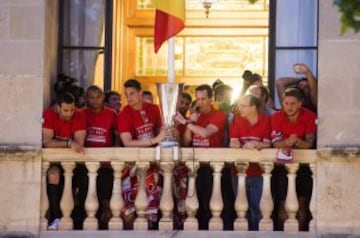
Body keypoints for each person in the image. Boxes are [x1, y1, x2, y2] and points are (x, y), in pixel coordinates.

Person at [174, 84, 229, 230]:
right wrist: (190, 122)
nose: (200, 102)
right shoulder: (194, 117)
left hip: (213, 167)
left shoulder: (219, 115)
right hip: (196, 166)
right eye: (198, 99)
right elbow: (186, 142)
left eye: (203, 99)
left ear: (211, 99)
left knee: (212, 203)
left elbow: (206, 133)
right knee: (195, 203)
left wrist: (186, 122)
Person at [117, 79, 169, 230]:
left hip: (153, 165)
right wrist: (154, 140)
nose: (129, 98)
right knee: (129, 209)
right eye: (127, 95)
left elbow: (162, 131)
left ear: (140, 93)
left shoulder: (154, 109)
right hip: (132, 167)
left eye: (132, 93)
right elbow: (127, 142)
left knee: (153, 208)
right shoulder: (124, 114)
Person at [271, 87, 317, 231]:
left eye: (292, 103)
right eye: (286, 103)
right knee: (282, 203)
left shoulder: (309, 116)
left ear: (300, 103)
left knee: (302, 203)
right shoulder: (276, 117)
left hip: (303, 166)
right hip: (282, 166)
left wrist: (296, 141)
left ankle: (300, 233)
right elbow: (275, 143)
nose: (289, 107)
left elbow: (309, 144)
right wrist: (287, 142)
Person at [42, 93, 86, 230]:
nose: (69, 113)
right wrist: (68, 143)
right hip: (55, 159)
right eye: (65, 110)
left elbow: (79, 144)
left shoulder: (79, 115)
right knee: (53, 176)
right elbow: (47, 142)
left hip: (74, 161)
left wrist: (67, 143)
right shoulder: (50, 114)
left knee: (83, 181)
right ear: (58, 108)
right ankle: (55, 218)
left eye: (72, 110)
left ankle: (79, 220)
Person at [229, 94, 271, 230]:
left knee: (258, 210)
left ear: (253, 107)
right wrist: (234, 143)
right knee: (241, 211)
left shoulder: (266, 120)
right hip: (238, 172)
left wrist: (256, 143)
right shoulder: (237, 119)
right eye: (239, 105)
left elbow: (269, 144)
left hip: (259, 173)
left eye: (243, 106)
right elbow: (233, 141)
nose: (239, 108)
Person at [83, 85, 118, 230]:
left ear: (103, 97)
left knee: (106, 202)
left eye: (98, 97)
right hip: (85, 165)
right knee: (86, 199)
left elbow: (116, 135)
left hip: (106, 165)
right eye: (91, 97)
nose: (95, 101)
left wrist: (115, 153)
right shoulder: (81, 113)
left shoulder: (111, 114)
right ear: (86, 98)